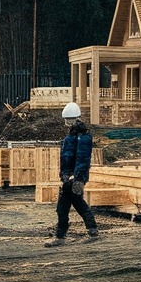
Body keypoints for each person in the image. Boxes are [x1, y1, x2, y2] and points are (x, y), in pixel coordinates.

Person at [46, 102, 98, 246]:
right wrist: (64, 174)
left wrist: (78, 177)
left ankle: (61, 235)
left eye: (69, 120)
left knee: (69, 204)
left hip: (75, 177)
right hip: (69, 176)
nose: (67, 123)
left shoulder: (83, 137)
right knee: (70, 204)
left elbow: (82, 158)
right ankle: (91, 230)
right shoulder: (72, 136)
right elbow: (66, 158)